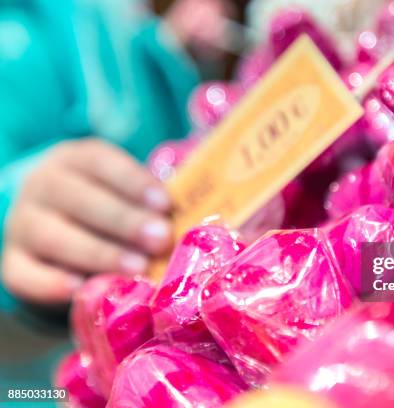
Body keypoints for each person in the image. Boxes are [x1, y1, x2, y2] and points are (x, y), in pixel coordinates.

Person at [0, 0, 230, 307]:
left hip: (198, 253)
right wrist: (14, 217)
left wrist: (173, 44)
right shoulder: (17, 36)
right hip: (107, 305)